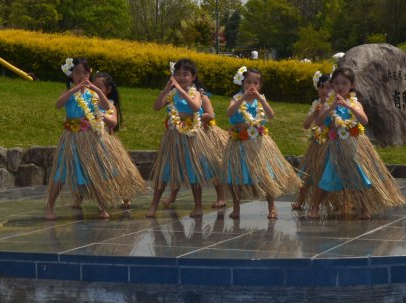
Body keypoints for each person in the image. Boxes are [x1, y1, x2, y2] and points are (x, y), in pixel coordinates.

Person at [44, 58, 145, 220]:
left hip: (90, 138)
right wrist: (74, 90)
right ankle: (50, 207)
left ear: (89, 74)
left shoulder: (93, 94)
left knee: (94, 171)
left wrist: (96, 90)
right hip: (71, 138)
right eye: (77, 72)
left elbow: (106, 106)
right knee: (60, 173)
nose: (81, 76)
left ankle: (101, 207)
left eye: (84, 72)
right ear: (71, 75)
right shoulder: (68, 93)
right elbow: (58, 104)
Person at [306, 68, 406, 220]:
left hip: (354, 147)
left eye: (344, 83)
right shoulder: (329, 104)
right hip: (336, 147)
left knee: (358, 176)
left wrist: (350, 107)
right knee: (327, 177)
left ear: (351, 85)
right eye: (336, 83)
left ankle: (364, 208)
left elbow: (364, 120)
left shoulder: (355, 103)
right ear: (332, 85)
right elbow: (318, 122)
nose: (340, 86)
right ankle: (315, 208)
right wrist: (330, 108)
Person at [223, 66, 301, 220]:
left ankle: (271, 206)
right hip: (239, 143)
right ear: (242, 83)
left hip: (258, 144)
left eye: (255, 83)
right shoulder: (236, 99)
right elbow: (229, 113)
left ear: (260, 86)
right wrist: (242, 99)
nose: (251, 86)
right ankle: (236, 207)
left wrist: (260, 98)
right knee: (236, 177)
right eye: (248, 82)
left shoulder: (260, 101)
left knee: (265, 176)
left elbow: (271, 115)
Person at [146, 58, 215, 218]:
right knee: (164, 171)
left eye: (185, 74)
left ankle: (198, 206)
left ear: (193, 77)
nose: (181, 77)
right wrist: (166, 89)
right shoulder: (171, 94)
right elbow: (156, 106)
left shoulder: (196, 93)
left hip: (191, 138)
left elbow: (195, 107)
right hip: (173, 137)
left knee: (194, 170)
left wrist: (181, 91)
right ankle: (153, 205)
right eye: (178, 74)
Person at [91, 71, 146, 208]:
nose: (95, 90)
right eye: (93, 86)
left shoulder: (110, 105)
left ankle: (125, 195)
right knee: (90, 171)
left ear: (108, 90)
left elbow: (113, 122)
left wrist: (99, 114)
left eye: (99, 87)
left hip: (106, 143)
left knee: (116, 171)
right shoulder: (87, 102)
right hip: (89, 143)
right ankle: (81, 198)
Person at [291, 71, 331, 211]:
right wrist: (314, 113)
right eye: (321, 87)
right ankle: (300, 200)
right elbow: (306, 125)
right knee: (306, 174)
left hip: (331, 145)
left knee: (328, 174)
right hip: (317, 144)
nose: (324, 91)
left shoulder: (336, 104)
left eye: (328, 87)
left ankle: (340, 202)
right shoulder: (316, 104)